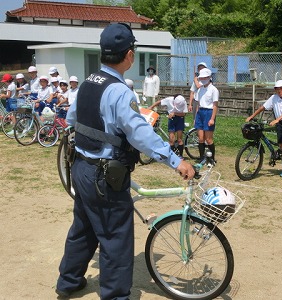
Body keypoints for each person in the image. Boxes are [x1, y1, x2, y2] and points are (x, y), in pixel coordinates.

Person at [56, 23, 194, 299]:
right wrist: (176, 160)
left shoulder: (86, 83)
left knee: (83, 228)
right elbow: (140, 134)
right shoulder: (120, 92)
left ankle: (68, 282)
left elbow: (72, 119)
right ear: (129, 55)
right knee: (115, 237)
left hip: (80, 168)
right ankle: (116, 296)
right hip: (104, 177)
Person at [246, 80, 282, 180]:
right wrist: (252, 116)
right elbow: (263, 107)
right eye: (277, 89)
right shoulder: (274, 98)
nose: (279, 91)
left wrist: (277, 119)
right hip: (280, 125)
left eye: (281, 89)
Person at [194, 67, 218, 162]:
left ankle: (212, 158)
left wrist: (212, 118)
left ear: (209, 77)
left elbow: (215, 105)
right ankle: (201, 157)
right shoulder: (200, 90)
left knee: (208, 139)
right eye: (201, 78)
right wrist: (196, 117)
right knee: (200, 138)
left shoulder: (214, 90)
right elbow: (198, 104)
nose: (202, 80)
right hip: (200, 112)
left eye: (204, 78)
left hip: (209, 112)